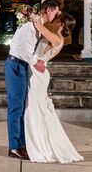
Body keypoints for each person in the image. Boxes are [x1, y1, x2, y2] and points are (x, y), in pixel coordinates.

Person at [24, 13, 84, 163]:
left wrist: (32, 16)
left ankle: (41, 146)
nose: (55, 20)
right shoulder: (55, 36)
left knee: (36, 110)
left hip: (38, 74)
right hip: (36, 70)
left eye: (58, 19)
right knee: (35, 109)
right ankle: (36, 142)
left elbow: (39, 26)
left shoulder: (57, 38)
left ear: (61, 24)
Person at [5, 0, 60, 160]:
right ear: (48, 10)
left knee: (21, 107)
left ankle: (21, 144)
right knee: (15, 107)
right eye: (56, 11)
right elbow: (22, 50)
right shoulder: (30, 27)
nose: (57, 14)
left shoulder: (37, 26)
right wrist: (37, 64)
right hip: (15, 65)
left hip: (21, 66)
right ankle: (14, 147)